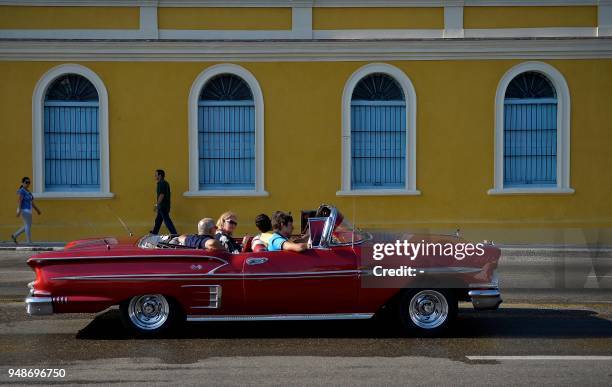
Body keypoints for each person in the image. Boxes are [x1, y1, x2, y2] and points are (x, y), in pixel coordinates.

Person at [11, 177, 41, 244]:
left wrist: (37, 210)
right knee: (28, 225)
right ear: (22, 183)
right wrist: (18, 210)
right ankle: (29, 241)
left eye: (29, 182)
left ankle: (14, 235)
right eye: (26, 182)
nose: (28, 184)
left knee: (27, 225)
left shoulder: (28, 192)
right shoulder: (22, 190)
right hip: (24, 210)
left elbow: (32, 203)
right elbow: (20, 201)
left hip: (28, 210)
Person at [150, 169, 177, 235]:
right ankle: (154, 233)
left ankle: (174, 233)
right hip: (164, 205)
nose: (155, 176)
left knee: (167, 220)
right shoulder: (165, 183)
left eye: (156, 175)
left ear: (160, 175)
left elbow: (161, 195)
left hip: (163, 206)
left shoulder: (161, 183)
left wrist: (157, 204)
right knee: (158, 220)